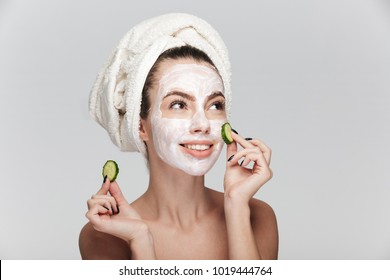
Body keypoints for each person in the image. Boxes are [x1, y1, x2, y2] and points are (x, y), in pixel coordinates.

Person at [79, 13, 278, 260]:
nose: (202, 124)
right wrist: (140, 239)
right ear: (140, 126)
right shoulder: (104, 235)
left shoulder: (257, 216)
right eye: (178, 105)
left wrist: (236, 205)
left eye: (215, 105)